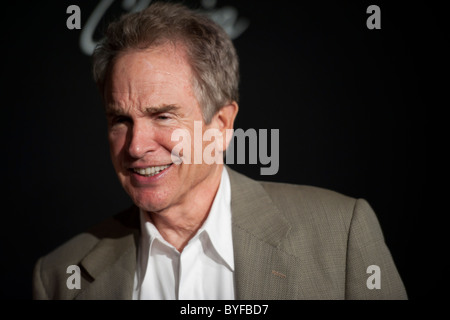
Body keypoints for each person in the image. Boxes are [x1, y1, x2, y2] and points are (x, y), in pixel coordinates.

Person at [32, 2, 407, 300]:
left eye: (163, 116)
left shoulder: (339, 236)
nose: (136, 145)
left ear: (222, 125)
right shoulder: (61, 277)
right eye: (120, 120)